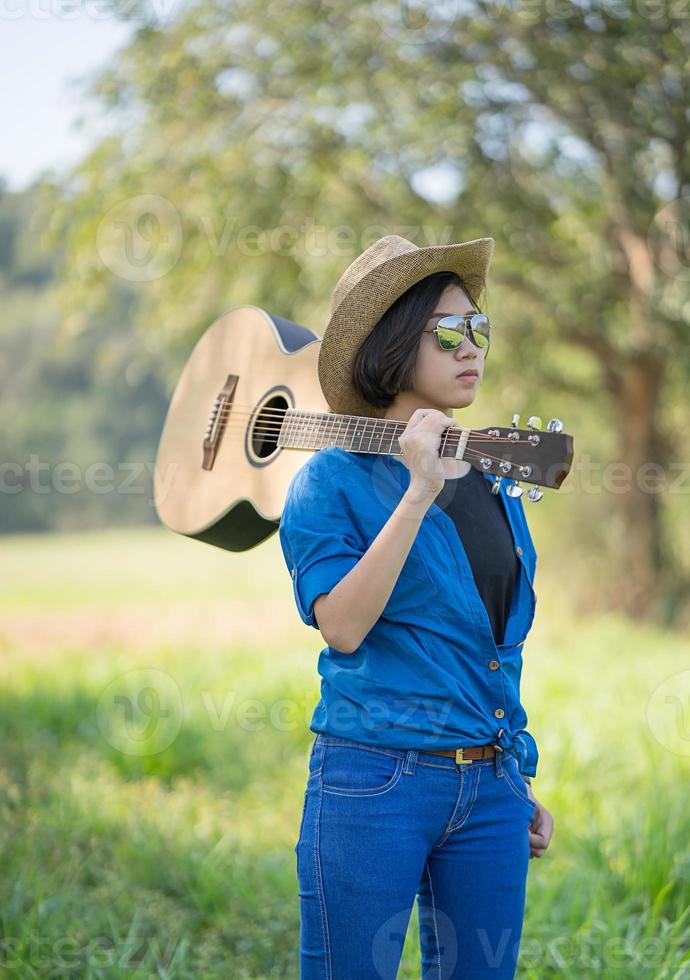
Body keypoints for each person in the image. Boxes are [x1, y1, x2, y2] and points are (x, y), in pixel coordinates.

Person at [279, 234, 555, 980]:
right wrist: (419, 487)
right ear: (394, 346)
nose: (473, 347)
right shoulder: (327, 483)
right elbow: (341, 625)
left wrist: (514, 778)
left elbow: (497, 648)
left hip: (489, 785)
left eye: (479, 329)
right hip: (374, 782)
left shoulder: (495, 480)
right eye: (448, 332)